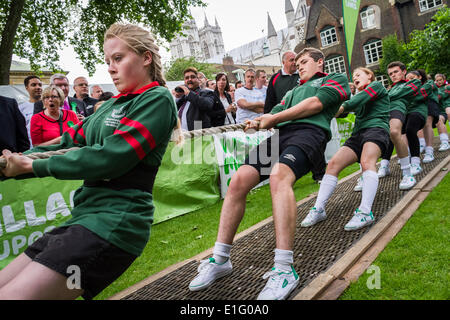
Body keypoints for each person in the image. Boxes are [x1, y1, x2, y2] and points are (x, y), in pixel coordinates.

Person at [0, 23, 179, 300]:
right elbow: (65, 143)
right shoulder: (108, 106)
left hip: (115, 223)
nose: (110, 67)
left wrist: (30, 165)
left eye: (118, 58)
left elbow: (110, 158)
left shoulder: (157, 98)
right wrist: (12, 163)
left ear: (146, 58)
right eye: (108, 61)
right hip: (83, 218)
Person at [188, 47, 350, 300]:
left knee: (279, 176)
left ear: (320, 62)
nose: (300, 66)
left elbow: (315, 104)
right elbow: (275, 111)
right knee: (238, 180)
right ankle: (220, 259)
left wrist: (273, 119)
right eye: (297, 62)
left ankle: (284, 269)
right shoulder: (293, 90)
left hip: (309, 133)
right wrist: (260, 120)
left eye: (304, 61)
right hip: (280, 136)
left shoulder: (334, 79)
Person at [302, 67, 389, 231]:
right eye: (353, 76)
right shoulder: (355, 95)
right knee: (333, 164)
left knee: (366, 162)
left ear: (369, 76)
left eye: (358, 75)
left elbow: (351, 104)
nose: (355, 78)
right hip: (358, 134)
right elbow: (344, 107)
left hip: (376, 129)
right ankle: (318, 209)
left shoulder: (376, 87)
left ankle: (365, 212)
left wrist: (338, 109)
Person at [377, 61, 421, 190]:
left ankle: (407, 174)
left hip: (400, 110)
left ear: (404, 71)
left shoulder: (413, 82)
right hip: (386, 113)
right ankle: (384, 165)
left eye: (396, 72)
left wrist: (385, 96)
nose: (393, 75)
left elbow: (403, 93)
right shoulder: (389, 89)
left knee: (395, 132)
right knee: (385, 137)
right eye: (390, 74)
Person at [19, 75, 43, 148]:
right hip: (28, 147)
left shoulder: (50, 105)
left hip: (49, 146)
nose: (38, 87)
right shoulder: (20, 108)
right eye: (33, 85)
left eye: (40, 85)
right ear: (27, 88)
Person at [435, 74, 450, 151]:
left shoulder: (447, 86)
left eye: (440, 80)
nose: (439, 82)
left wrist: (438, 96)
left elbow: (443, 95)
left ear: (444, 79)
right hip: (440, 109)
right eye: (437, 80)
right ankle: (445, 141)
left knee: (449, 112)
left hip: (448, 104)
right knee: (438, 120)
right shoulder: (436, 89)